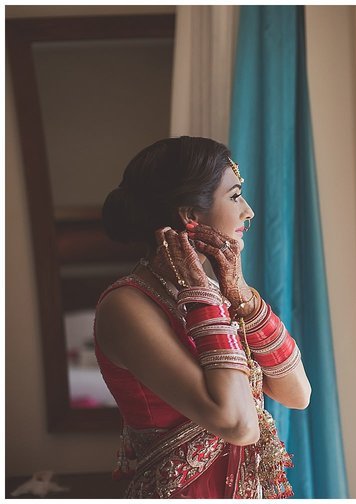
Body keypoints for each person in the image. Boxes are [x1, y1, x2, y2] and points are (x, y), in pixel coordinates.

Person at [95, 136, 311, 498]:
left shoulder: (213, 293)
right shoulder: (127, 306)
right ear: (190, 216)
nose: (249, 210)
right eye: (234, 195)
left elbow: (298, 393)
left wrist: (241, 295)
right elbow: (239, 424)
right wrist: (205, 295)